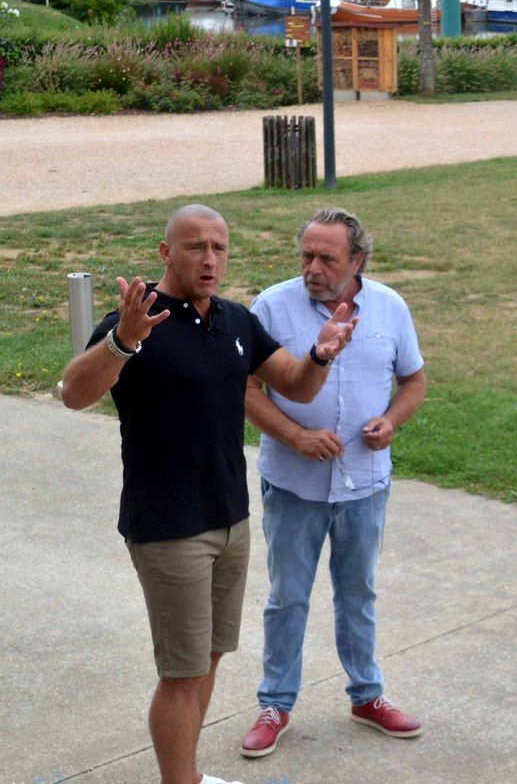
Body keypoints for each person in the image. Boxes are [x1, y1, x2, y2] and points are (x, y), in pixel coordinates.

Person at [59, 204, 357, 784]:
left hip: (230, 518)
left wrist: (320, 353)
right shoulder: (140, 318)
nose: (210, 258)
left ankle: (188, 777)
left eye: (219, 247)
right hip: (169, 527)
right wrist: (122, 341)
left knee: (209, 659)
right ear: (166, 253)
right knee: (182, 672)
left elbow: (292, 382)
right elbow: (74, 392)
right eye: (195, 246)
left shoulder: (234, 321)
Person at [239, 208, 427, 759]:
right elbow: (246, 390)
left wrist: (391, 421)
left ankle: (367, 696)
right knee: (288, 597)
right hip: (294, 485)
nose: (313, 268)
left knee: (358, 593)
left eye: (327, 258)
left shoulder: (390, 308)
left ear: (358, 260)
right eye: (306, 255)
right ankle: (275, 704)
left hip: (366, 484)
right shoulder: (272, 307)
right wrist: (296, 435)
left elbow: (413, 379)